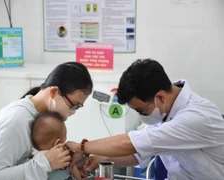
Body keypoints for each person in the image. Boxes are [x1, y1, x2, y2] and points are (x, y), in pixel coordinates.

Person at [66, 59, 224, 179]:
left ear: (160, 98)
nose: (141, 116)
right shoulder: (167, 112)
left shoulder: (196, 117)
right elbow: (137, 153)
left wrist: (83, 147)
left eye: (141, 110)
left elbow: (130, 143)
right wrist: (101, 158)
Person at [0, 62, 93, 180]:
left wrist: (63, 168)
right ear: (53, 92)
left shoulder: (43, 118)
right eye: (74, 105)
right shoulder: (17, 121)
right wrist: (45, 164)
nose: (73, 112)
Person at [31, 112, 80, 180]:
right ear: (58, 143)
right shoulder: (62, 154)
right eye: (64, 140)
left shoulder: (35, 162)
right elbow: (73, 169)